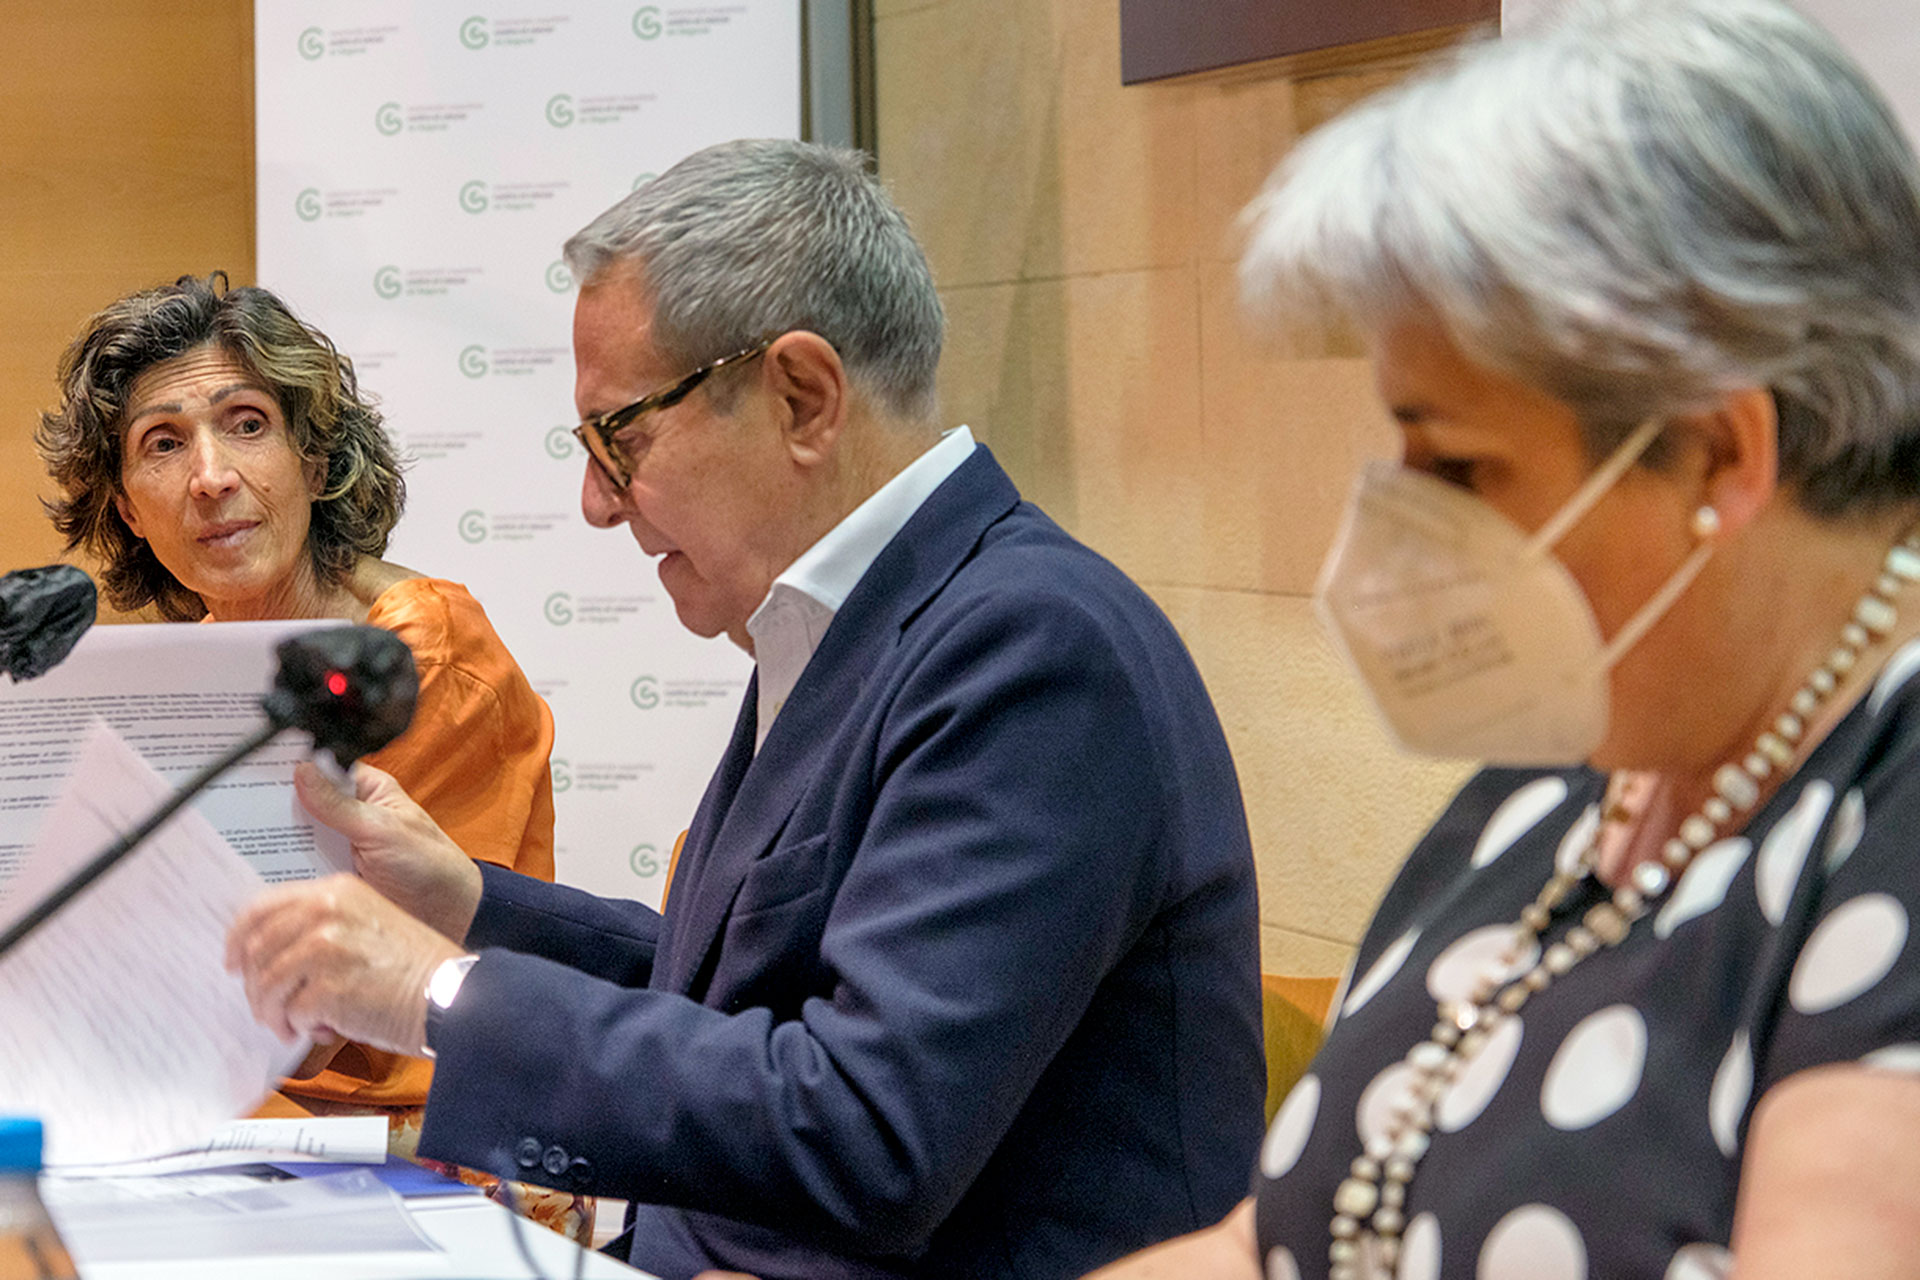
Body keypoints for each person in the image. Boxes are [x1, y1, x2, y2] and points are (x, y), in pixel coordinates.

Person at [223, 139, 1266, 1279]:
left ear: (803, 396)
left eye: (617, 437)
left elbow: (867, 1128)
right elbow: (733, 996)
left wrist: (439, 991)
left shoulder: (1033, 647)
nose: (594, 504)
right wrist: (469, 903)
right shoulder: (858, 617)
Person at [1086, 1, 1920, 1277]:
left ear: (1720, 449)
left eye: (1461, 464)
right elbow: (1270, 1243)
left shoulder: (1888, 812)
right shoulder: (1558, 773)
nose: (1403, 529)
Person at [37, 275, 557, 1116]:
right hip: (226, 1109)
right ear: (129, 508)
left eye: (246, 426)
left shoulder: (419, 655)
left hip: (420, 1135)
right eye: (163, 444)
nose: (210, 477)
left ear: (313, 462)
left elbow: (304, 1001)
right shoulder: (197, 669)